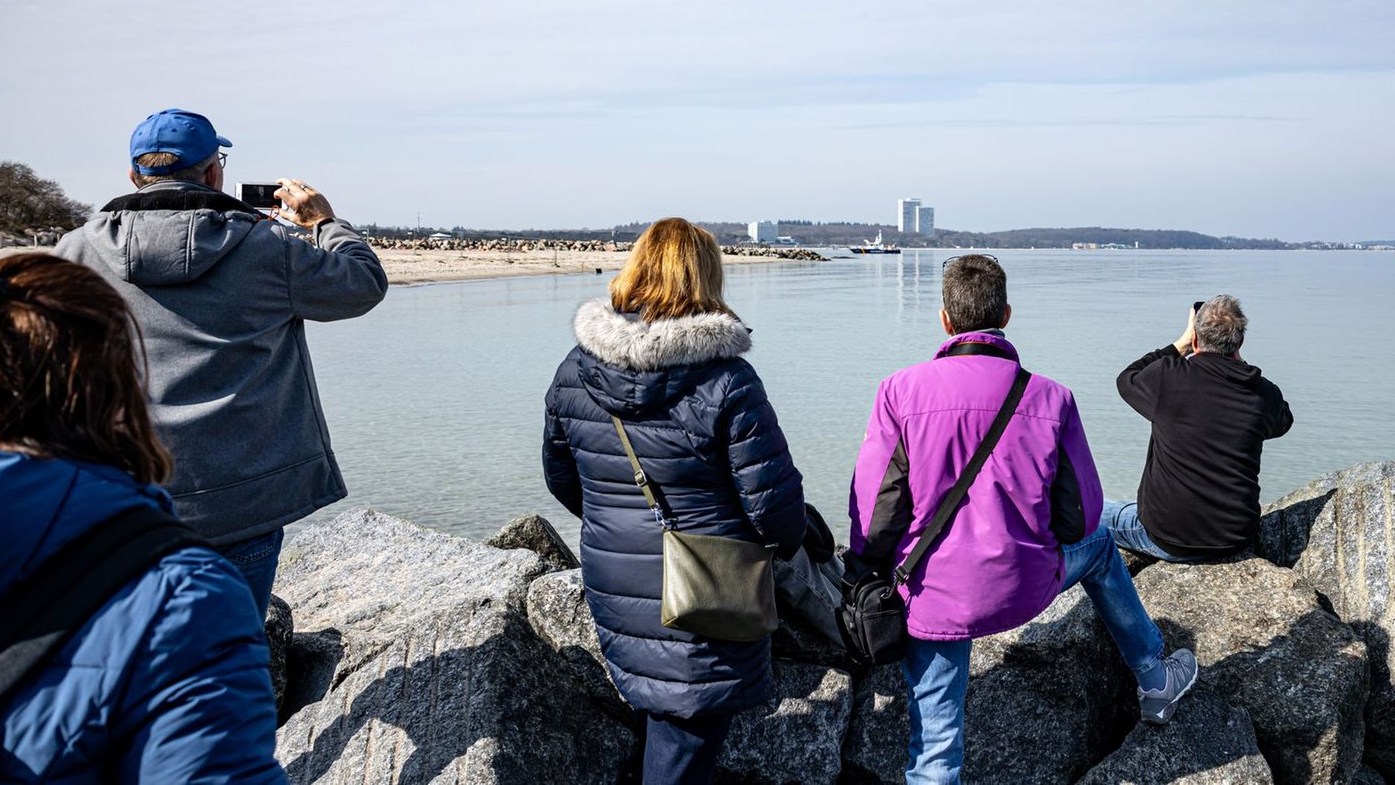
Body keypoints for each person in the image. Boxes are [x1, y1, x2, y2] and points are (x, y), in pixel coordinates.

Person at [848, 255, 1198, 784]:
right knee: (1102, 546)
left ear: (945, 319)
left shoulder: (899, 390)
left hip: (932, 595)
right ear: (1006, 314)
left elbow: (876, 512)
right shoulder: (1053, 398)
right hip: (1022, 585)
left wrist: (865, 570)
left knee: (935, 750)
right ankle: (1154, 679)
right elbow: (1081, 517)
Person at [0, 253, 285, 783]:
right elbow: (359, 283)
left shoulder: (80, 243)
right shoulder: (182, 598)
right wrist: (324, 225)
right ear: (119, 384)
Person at [55, 108, 388, 614]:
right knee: (230, 647)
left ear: (134, 175)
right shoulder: (266, 246)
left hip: (118, 495)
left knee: (128, 645)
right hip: (238, 500)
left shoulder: (74, 252)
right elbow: (362, 284)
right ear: (214, 173)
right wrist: (324, 222)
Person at [542, 218, 807, 784]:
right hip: (705, 586)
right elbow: (775, 511)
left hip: (614, 577)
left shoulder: (574, 369)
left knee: (661, 721)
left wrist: (616, 526)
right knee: (684, 742)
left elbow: (562, 477)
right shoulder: (728, 379)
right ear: (705, 278)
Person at [1107, 295, 1294, 561]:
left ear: (1195, 338)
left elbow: (1127, 379)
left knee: (1083, 510)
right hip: (1235, 537)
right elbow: (1283, 421)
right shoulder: (1263, 394)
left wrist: (1181, 344)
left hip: (1167, 537)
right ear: (1240, 341)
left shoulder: (1167, 377)